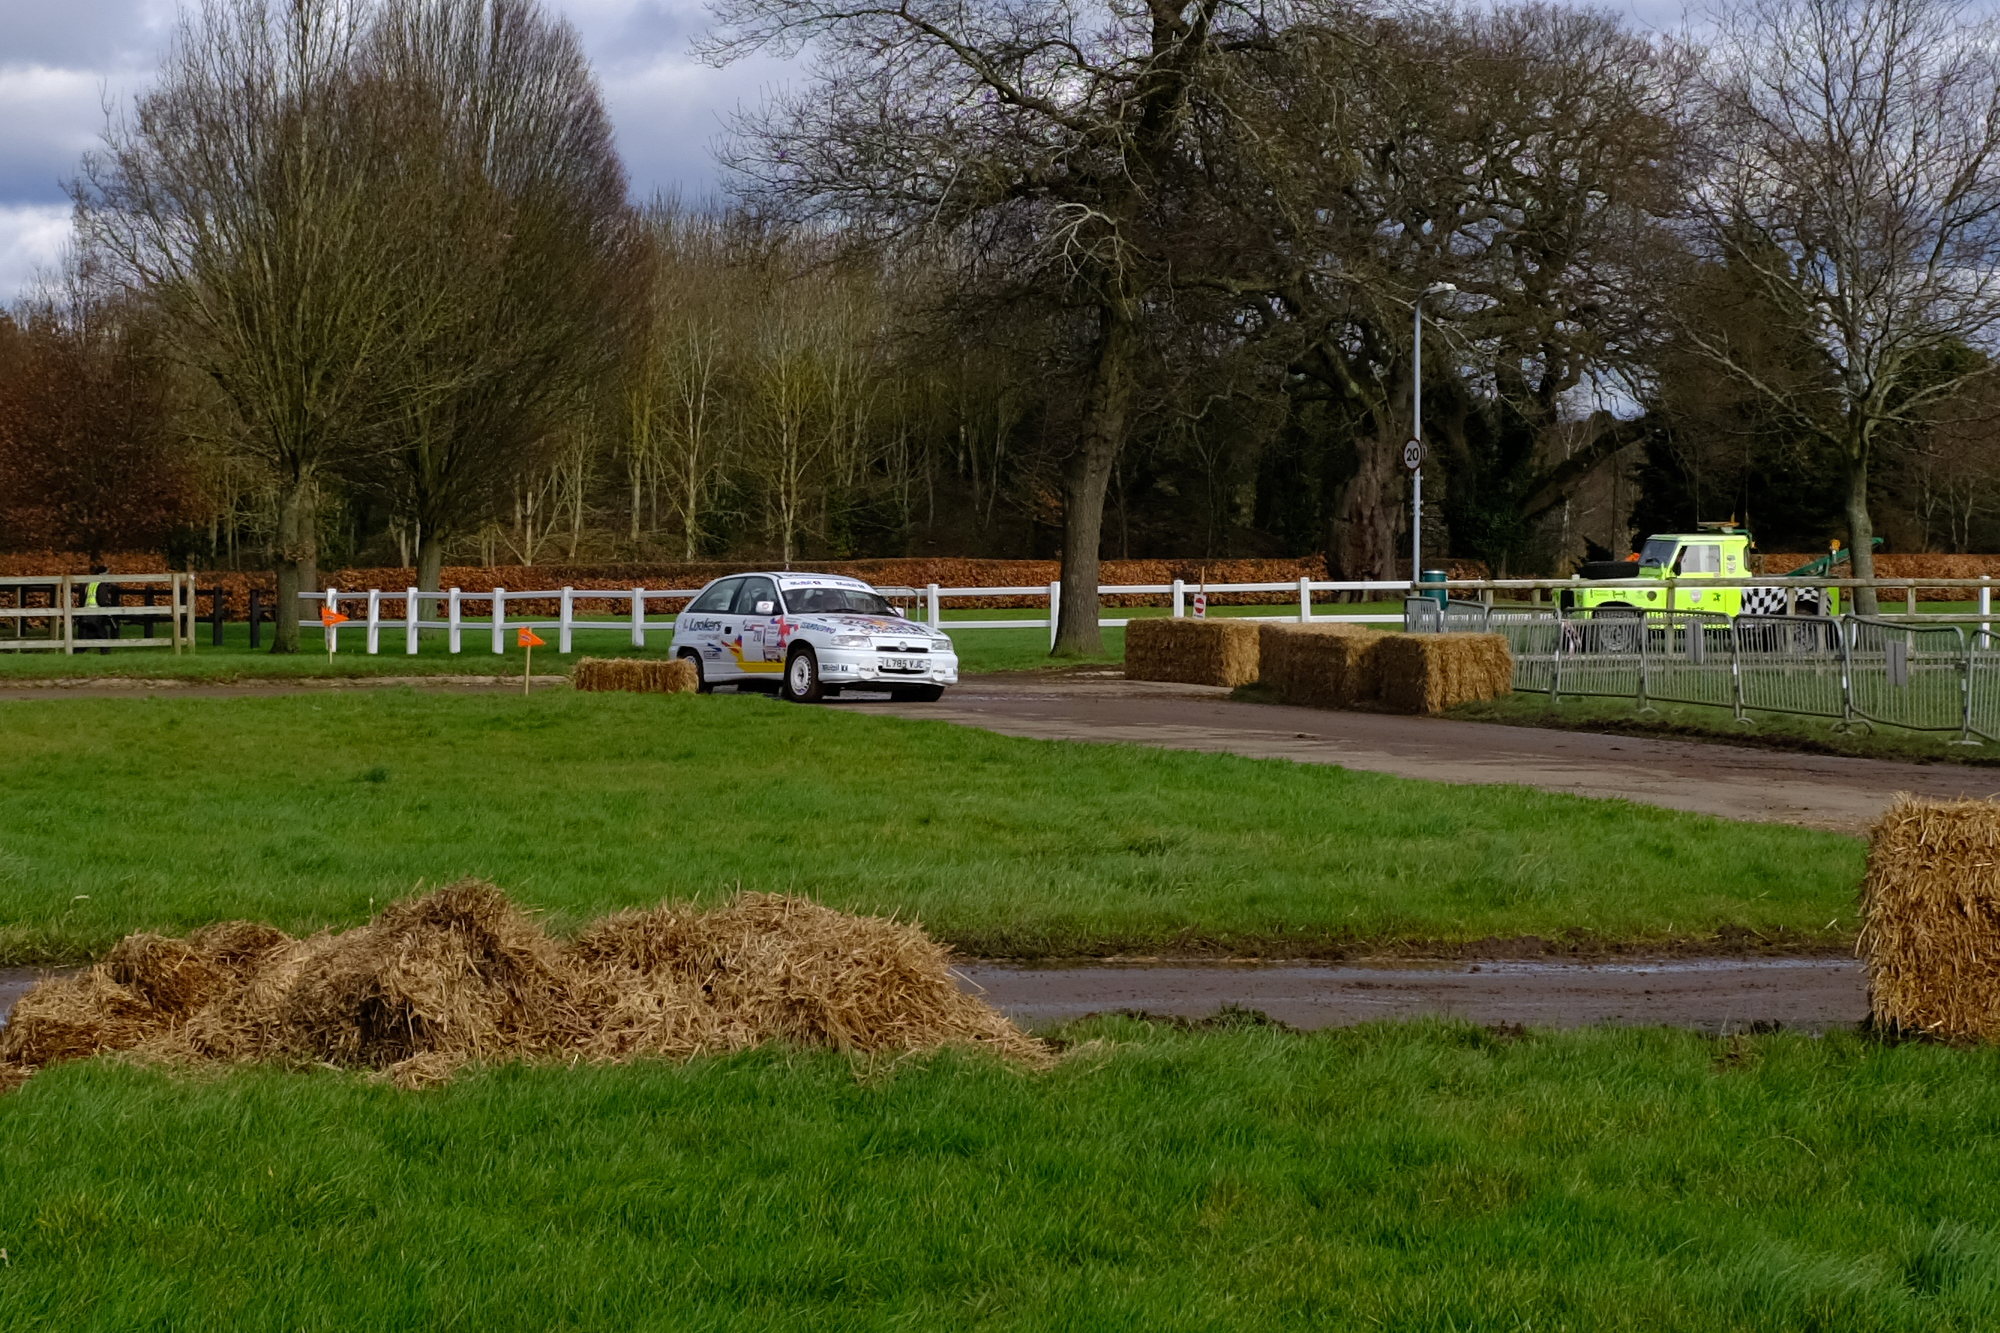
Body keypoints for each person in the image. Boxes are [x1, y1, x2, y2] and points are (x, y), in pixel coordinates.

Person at [80, 564, 121, 654]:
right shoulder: (101, 585)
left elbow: (83, 599)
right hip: (97, 612)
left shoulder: (89, 584)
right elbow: (101, 600)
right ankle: (105, 652)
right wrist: (107, 607)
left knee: (89, 633)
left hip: (87, 612)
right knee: (101, 633)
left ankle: (81, 650)